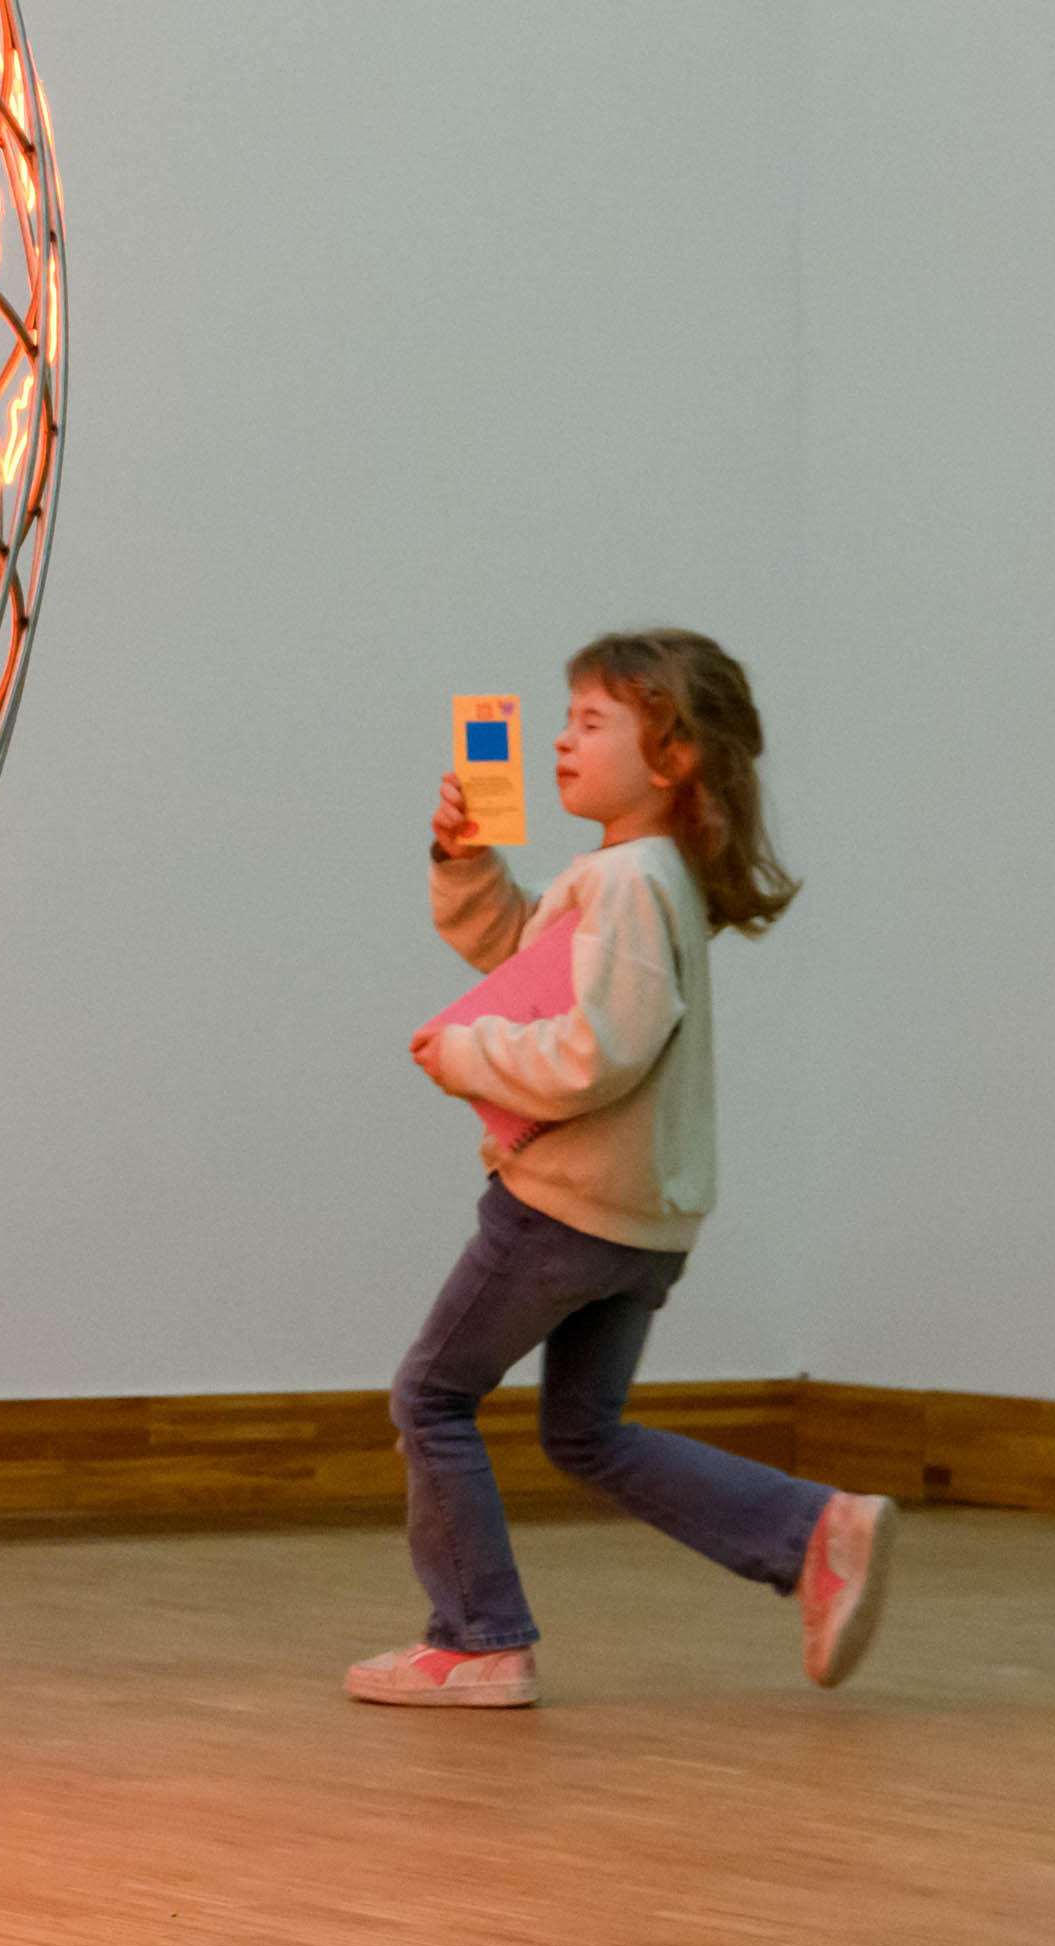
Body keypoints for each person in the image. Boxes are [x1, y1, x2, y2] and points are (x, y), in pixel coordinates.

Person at [349, 628, 891, 1708]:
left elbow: (599, 1048)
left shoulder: (632, 882)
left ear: (673, 756)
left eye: (592, 722)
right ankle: (812, 1533)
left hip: (565, 1210)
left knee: (431, 1397)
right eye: (565, 720)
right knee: (584, 1432)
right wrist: (465, 861)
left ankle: (479, 1639)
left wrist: (465, 1055)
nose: (561, 740)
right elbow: (532, 962)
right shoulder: (633, 877)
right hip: (637, 1220)